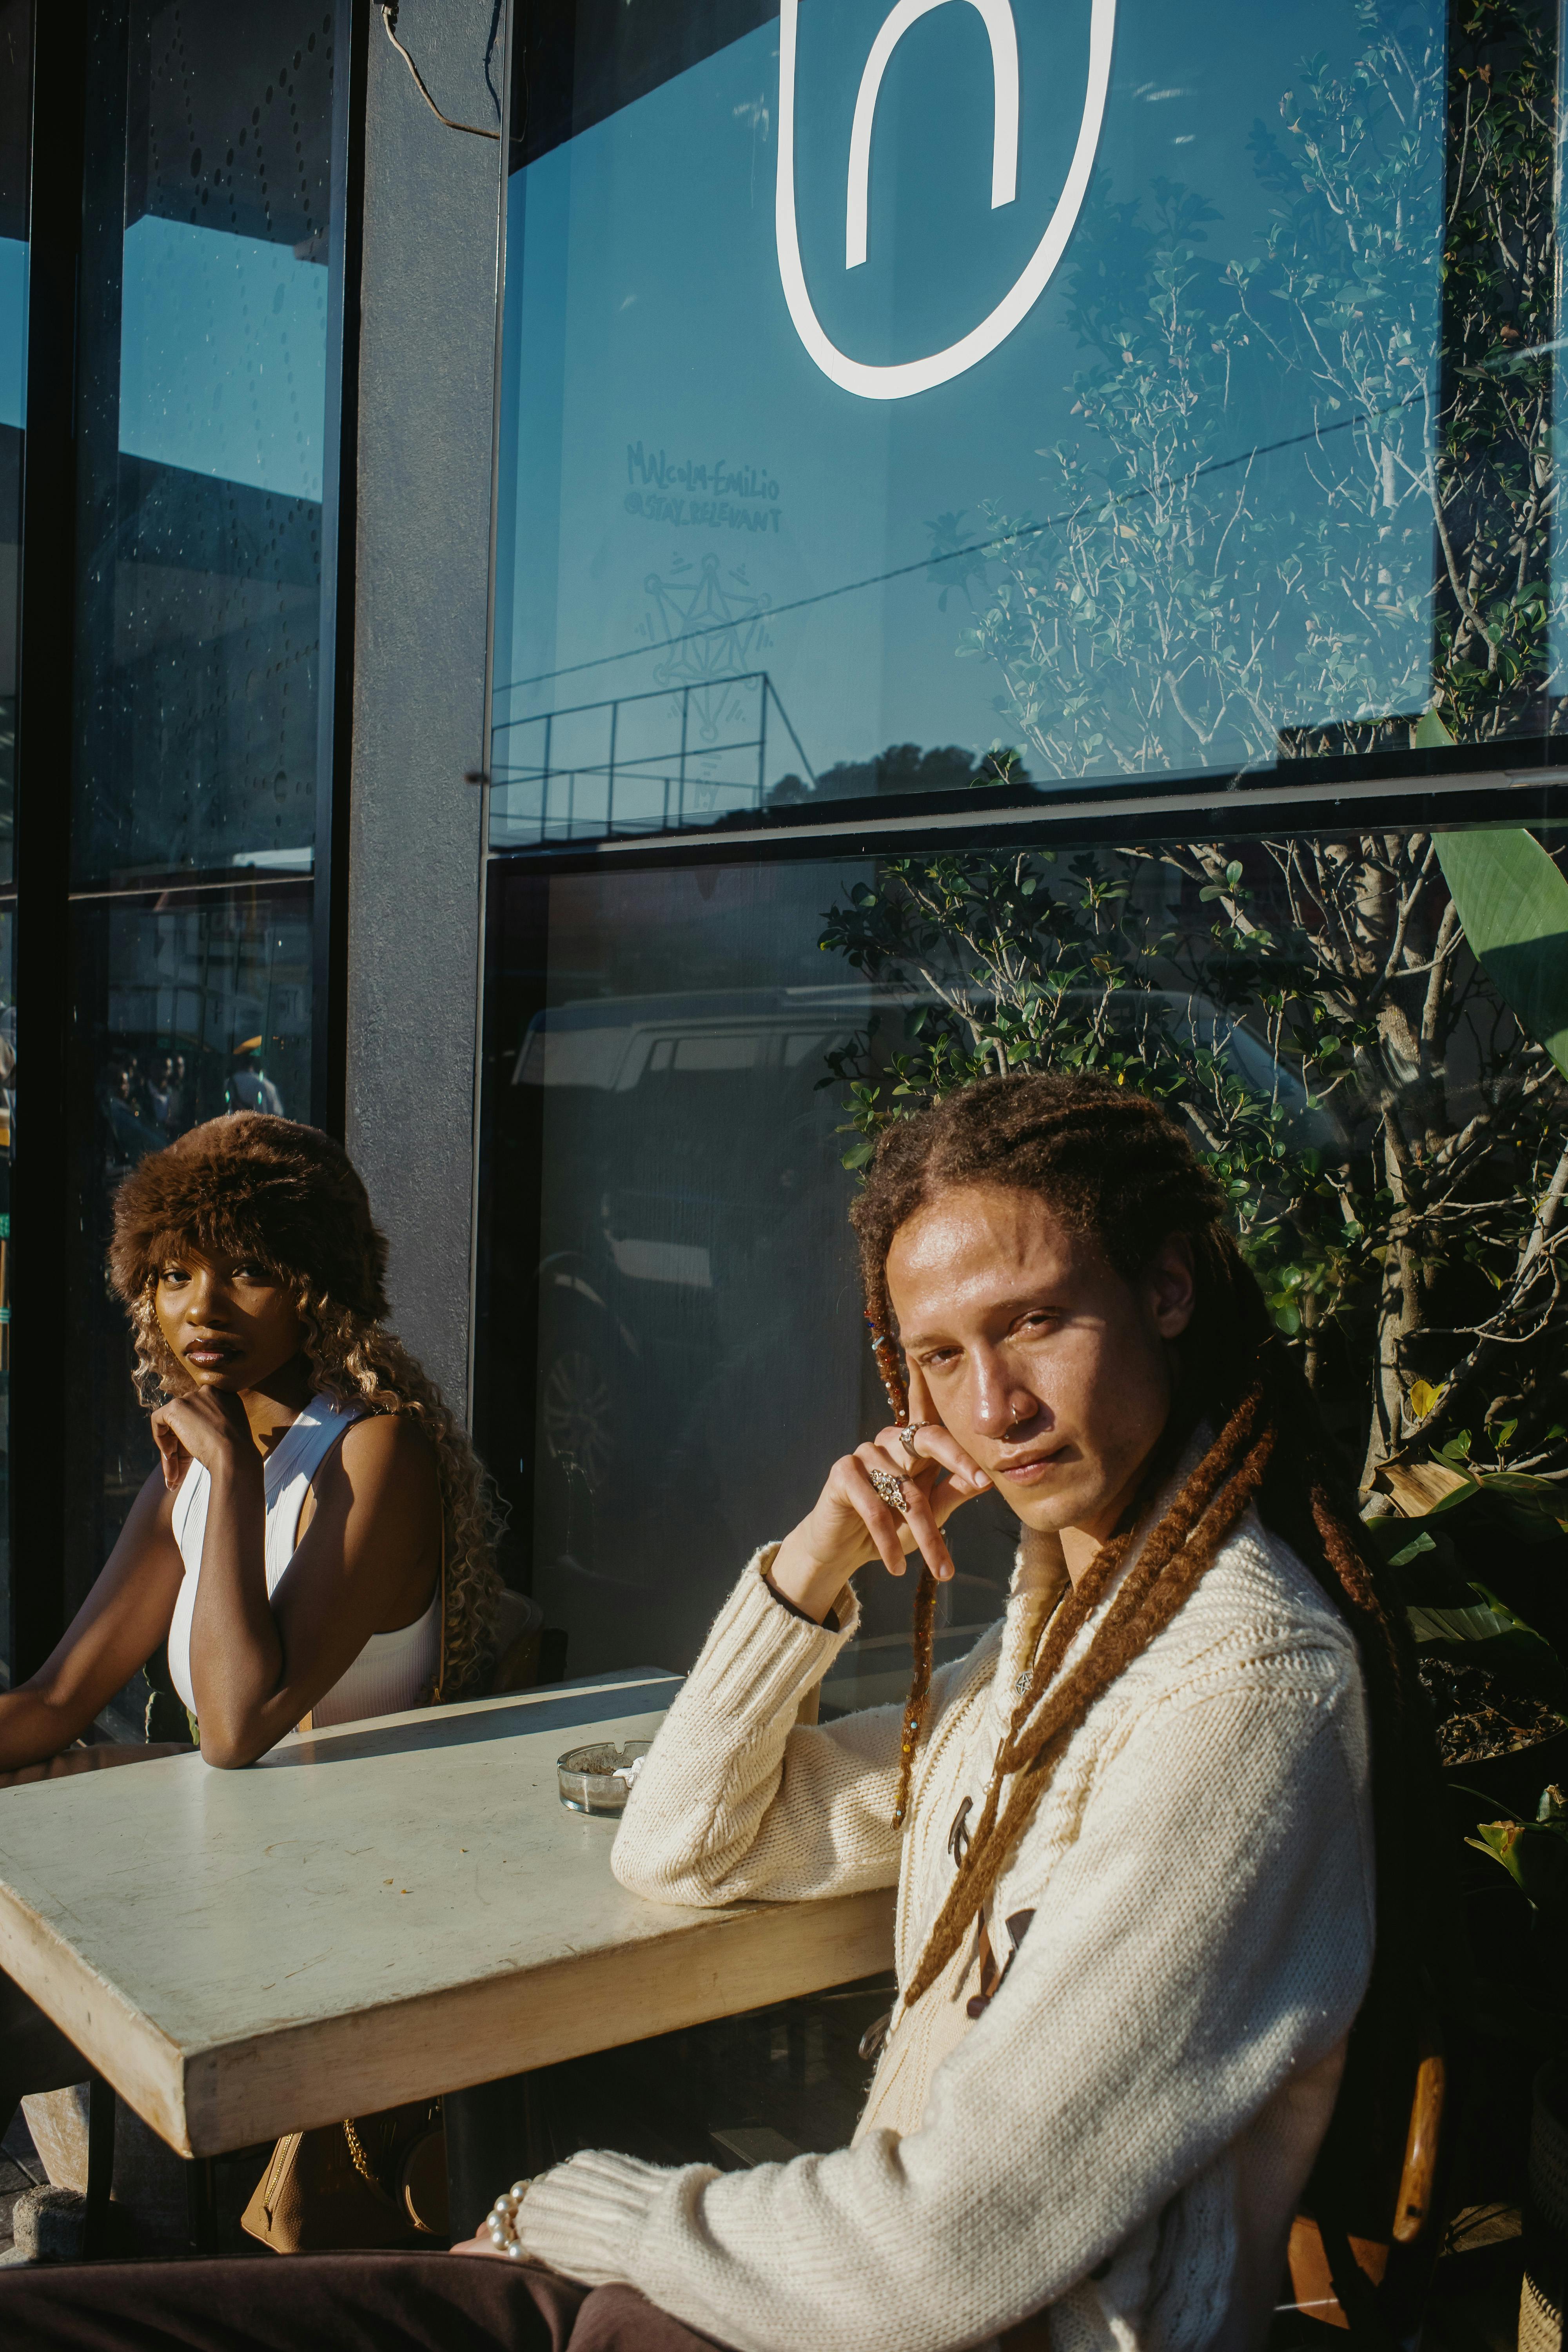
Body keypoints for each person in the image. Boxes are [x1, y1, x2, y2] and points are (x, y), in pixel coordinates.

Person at [0, 1074, 1429, 2352]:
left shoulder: (1236, 1693)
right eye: (937, 1358)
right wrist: (812, 1564)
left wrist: (590, 2213)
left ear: (1169, 1290)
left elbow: (939, 2254)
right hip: (796, 2298)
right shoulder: (1059, 1652)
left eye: (1035, 1323)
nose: (991, 1406)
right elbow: (678, 1844)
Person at [0, 1113, 501, 2125]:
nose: (202, 1309)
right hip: (217, 1864)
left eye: (247, 1271)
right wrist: (215, 1471)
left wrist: (230, 1470)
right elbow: (56, 1700)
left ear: (315, 1286)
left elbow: (237, 1728)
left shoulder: (374, 1457)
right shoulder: (189, 1472)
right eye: (176, 1274)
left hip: (336, 1903)